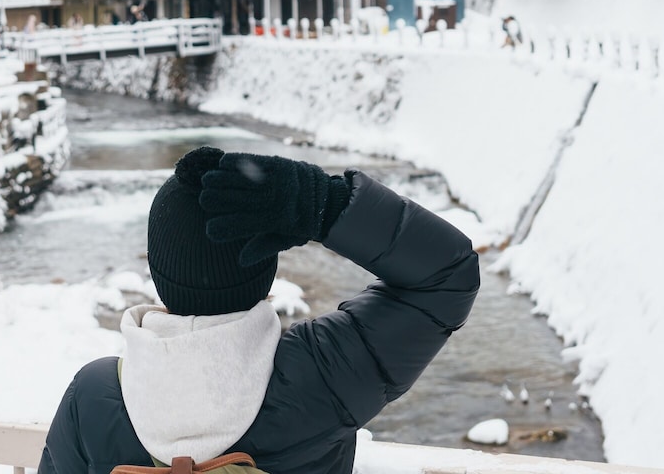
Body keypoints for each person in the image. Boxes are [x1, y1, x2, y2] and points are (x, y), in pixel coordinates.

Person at [38, 147, 480, 473]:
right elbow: (447, 273)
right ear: (266, 262)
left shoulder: (92, 397)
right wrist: (321, 205)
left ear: (159, 269)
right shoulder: (323, 375)